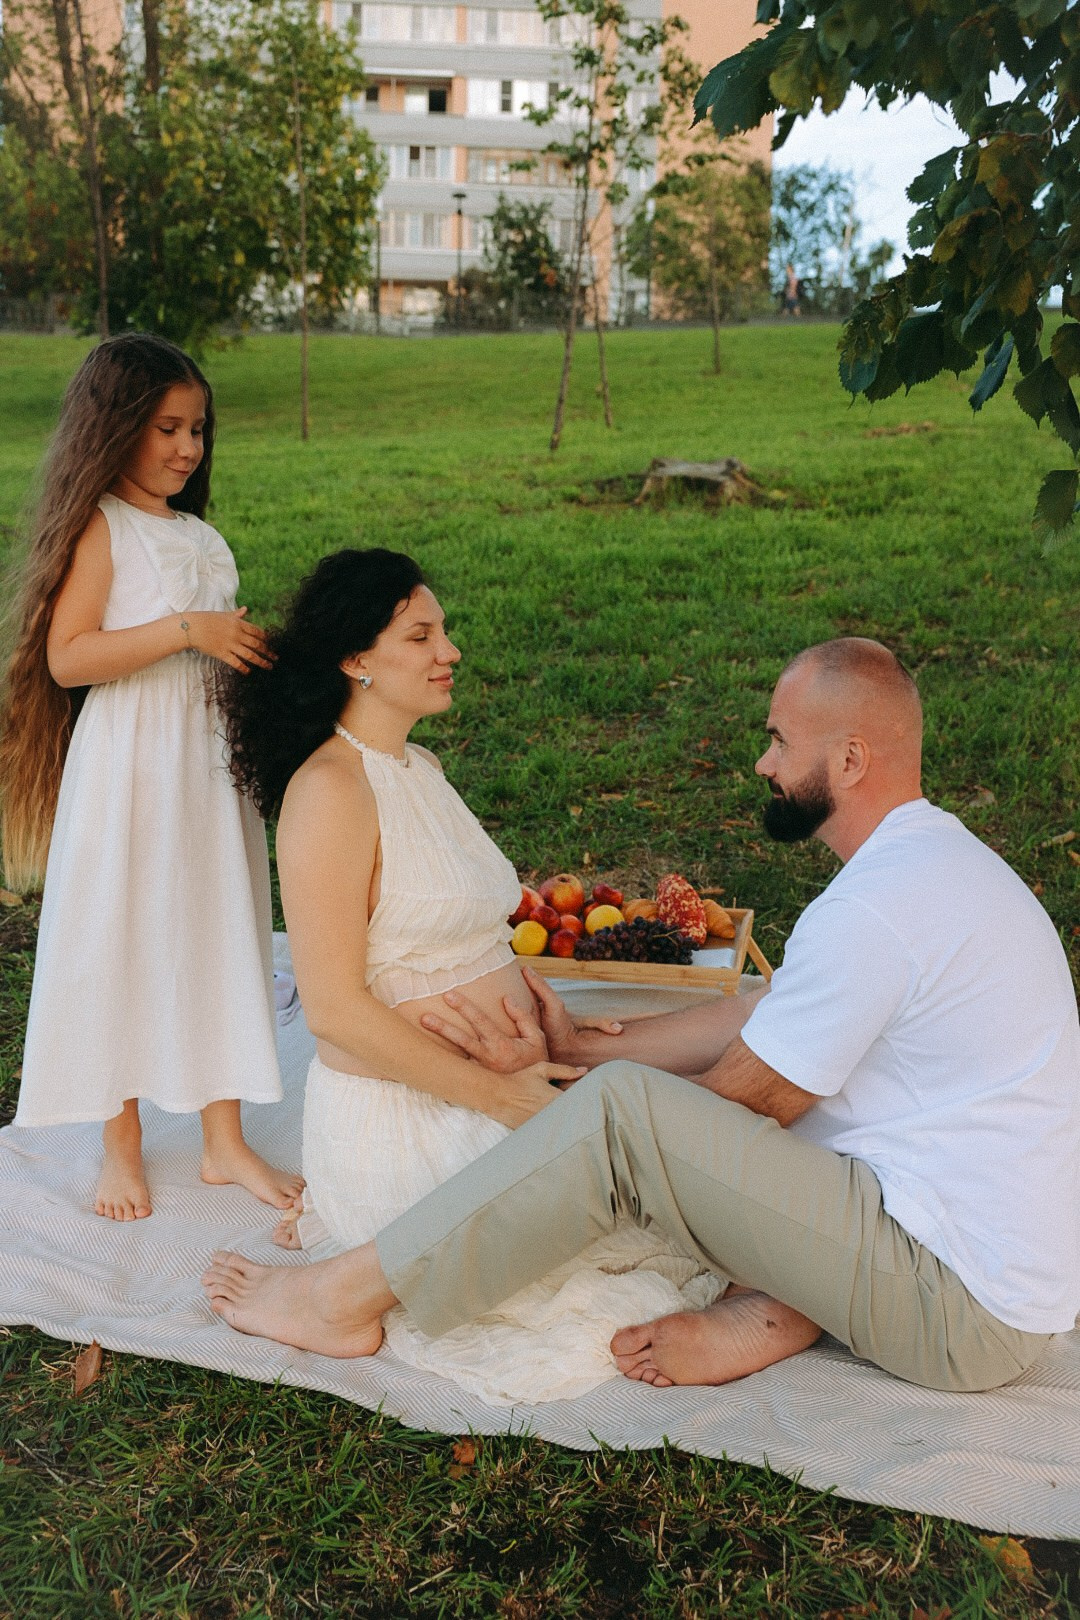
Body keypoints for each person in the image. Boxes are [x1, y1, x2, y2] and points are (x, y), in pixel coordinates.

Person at [203, 638, 1080, 1394]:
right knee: (633, 1089)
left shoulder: (876, 912)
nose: (764, 764)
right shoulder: (926, 864)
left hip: (955, 1308)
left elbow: (731, 1106)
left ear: (849, 762)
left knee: (628, 1114)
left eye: (779, 742)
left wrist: (549, 1098)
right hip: (938, 1237)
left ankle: (343, 1298)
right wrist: (579, 1047)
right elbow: (766, 1013)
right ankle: (782, 1303)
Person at [216, 547, 729, 1404]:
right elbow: (336, 1011)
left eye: (443, 631)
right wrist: (496, 1097)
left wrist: (545, 1024)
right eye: (421, 635)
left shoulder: (422, 770)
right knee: (581, 1277)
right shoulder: (330, 792)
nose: (449, 650)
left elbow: (468, 934)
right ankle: (332, 1301)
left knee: (671, 1201)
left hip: (508, 1078)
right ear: (356, 659)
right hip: (416, 1111)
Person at [1, 334, 302, 1222]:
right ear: (117, 426)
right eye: (168, 428)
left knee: (220, 923)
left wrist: (250, 656)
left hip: (207, 767)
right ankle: (121, 1144)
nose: (187, 448)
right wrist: (187, 631)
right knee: (121, 934)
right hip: (131, 764)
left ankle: (223, 1140)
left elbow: (210, 643)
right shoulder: (104, 524)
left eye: (198, 429)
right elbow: (68, 658)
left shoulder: (199, 534)